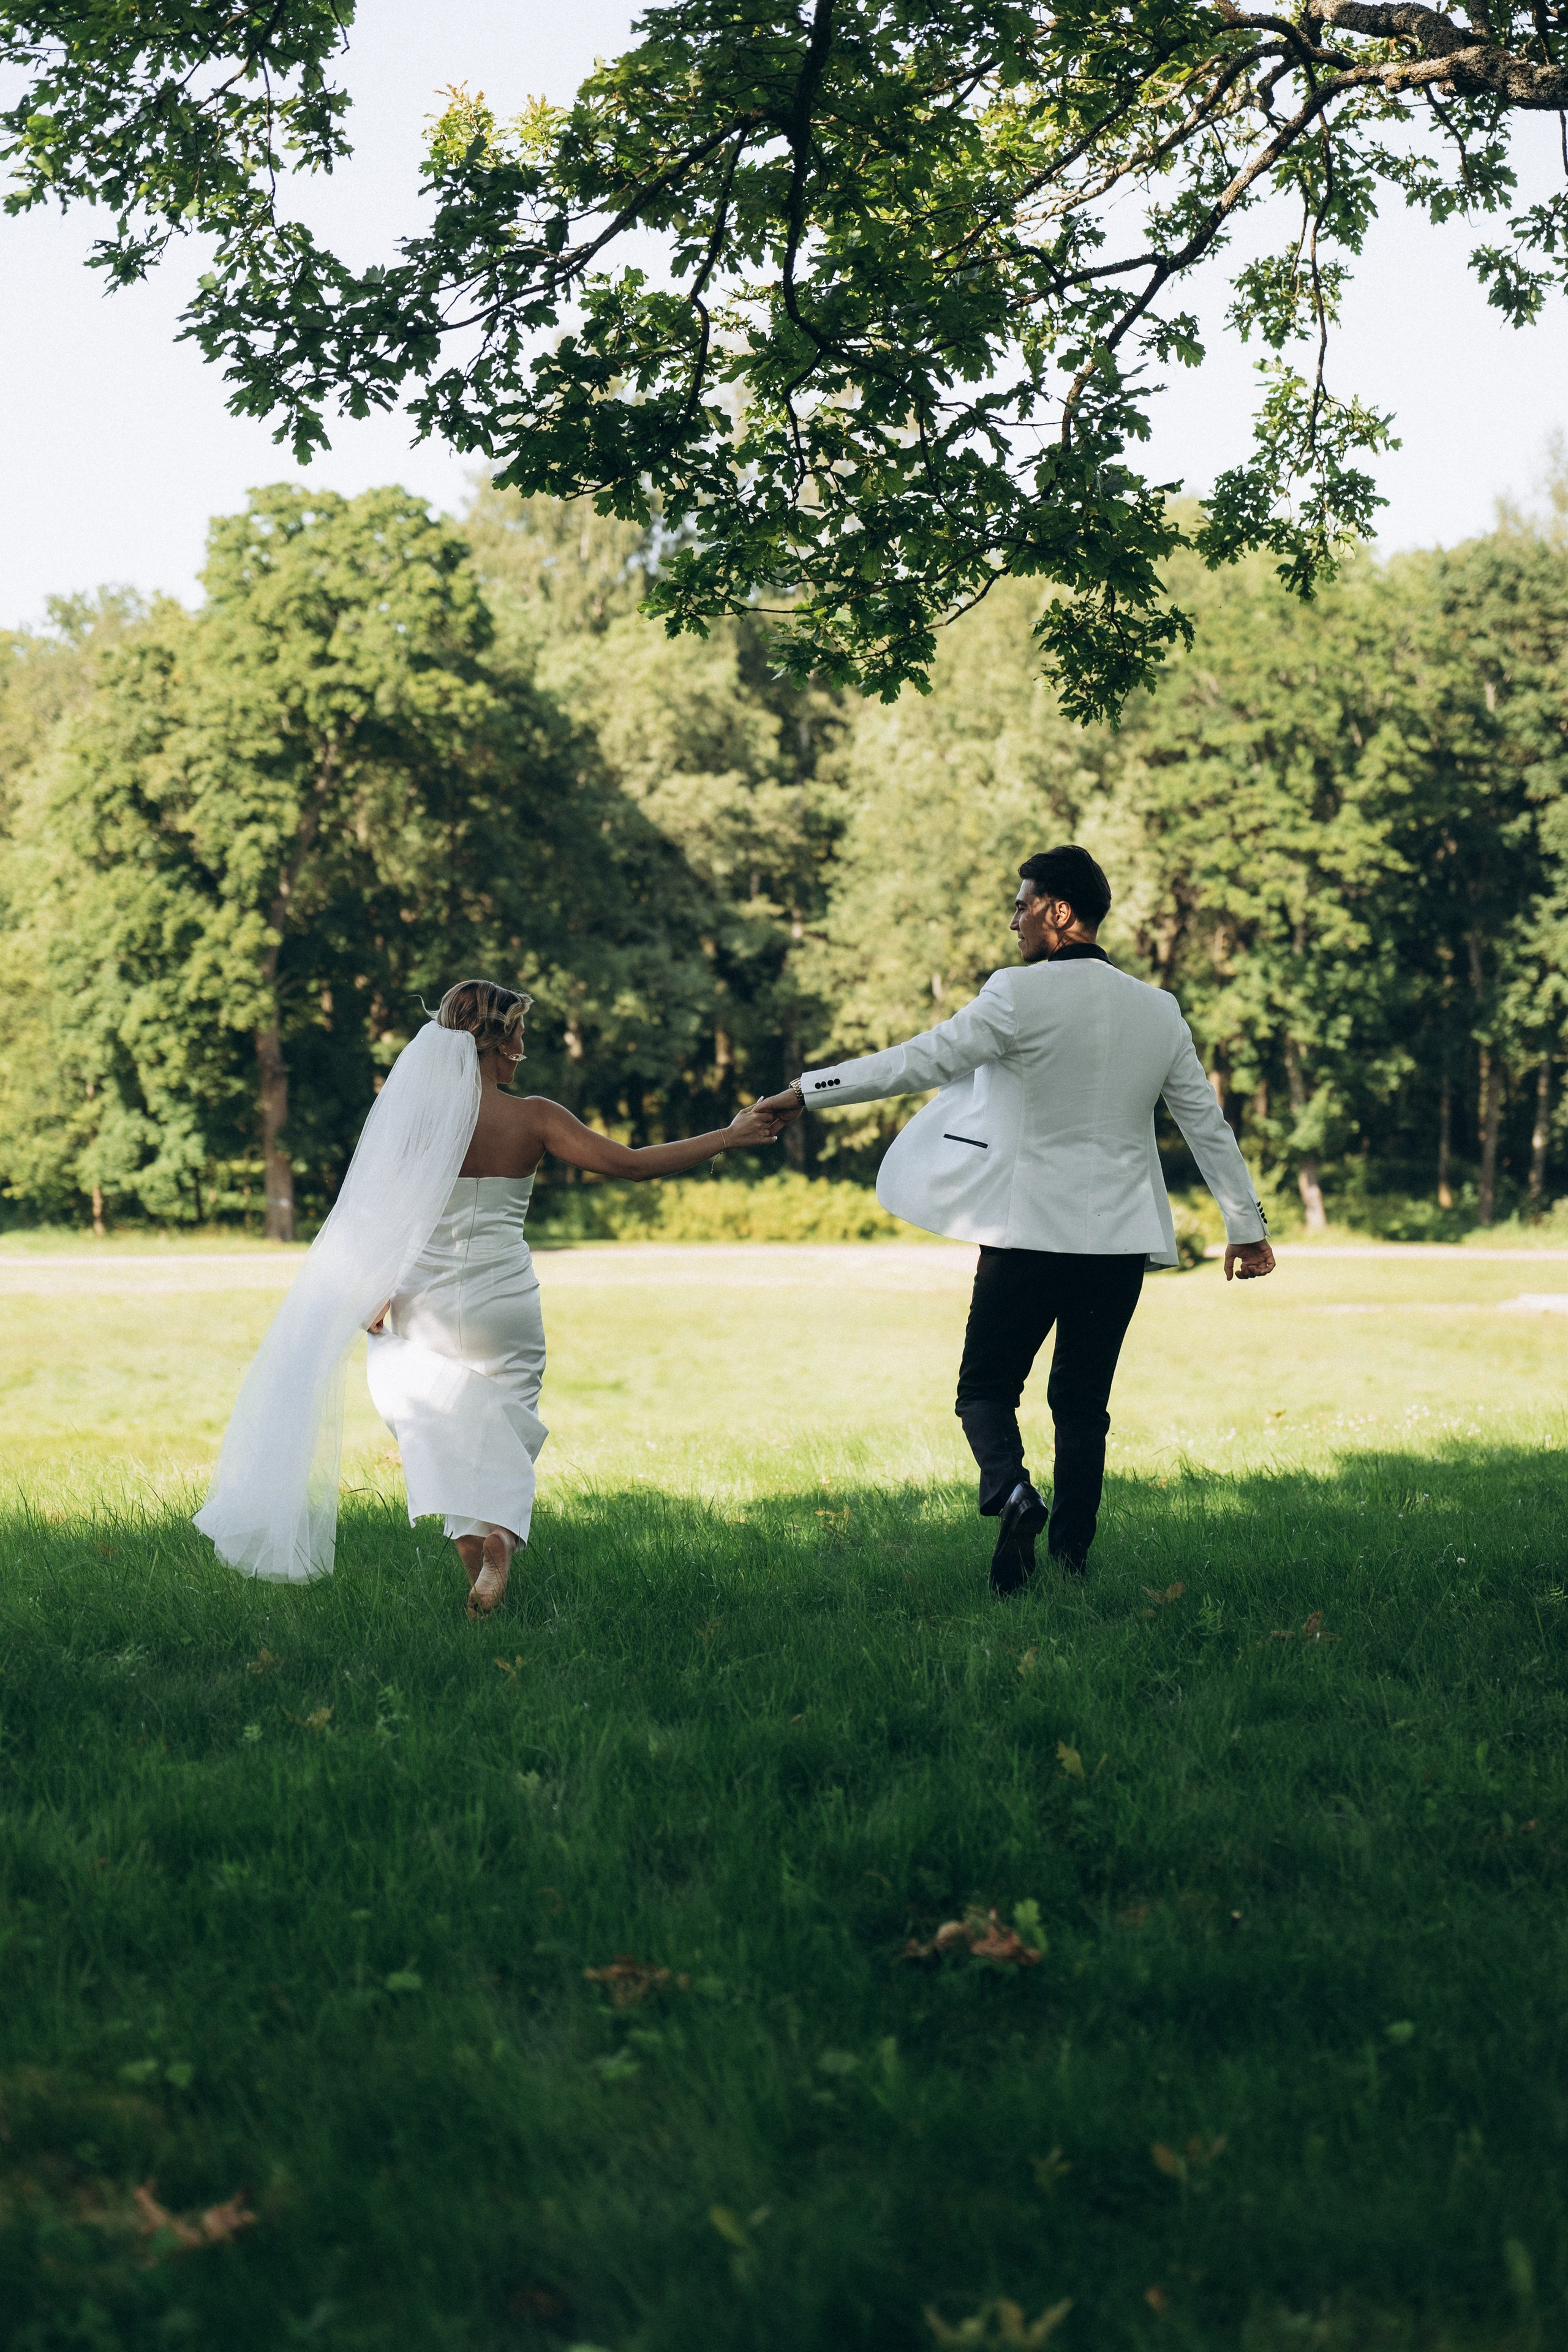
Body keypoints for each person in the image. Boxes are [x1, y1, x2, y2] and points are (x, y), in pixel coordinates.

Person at [754, 846, 1276, 1594]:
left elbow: (918, 1061)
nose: (1013, 920)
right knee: (1082, 1407)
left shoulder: (1015, 996)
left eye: (1024, 903)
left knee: (985, 1391)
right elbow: (1206, 1125)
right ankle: (1069, 1562)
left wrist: (805, 1090)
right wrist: (1246, 1225)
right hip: (1119, 1243)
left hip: (1026, 1235)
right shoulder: (1157, 1009)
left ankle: (1011, 1491)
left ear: (1060, 912)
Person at [195, 979, 784, 1611]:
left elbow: (381, 1211)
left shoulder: (415, 1119)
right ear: (499, 1043)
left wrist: (376, 1290)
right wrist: (729, 1134)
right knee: (505, 1430)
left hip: (427, 1305)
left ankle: (481, 1565)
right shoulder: (534, 1117)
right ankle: (501, 1536)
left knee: (444, 1436)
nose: (524, 1043)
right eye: (520, 1032)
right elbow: (633, 1164)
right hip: (505, 1302)